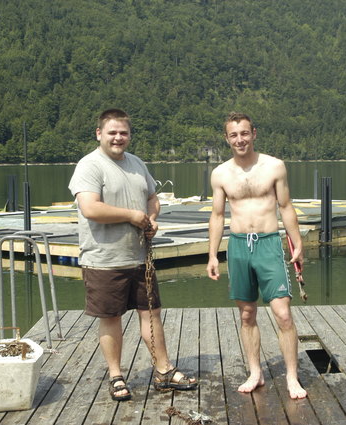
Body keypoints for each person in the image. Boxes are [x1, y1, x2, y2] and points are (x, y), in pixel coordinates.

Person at [69, 108, 197, 401]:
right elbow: (91, 208)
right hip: (103, 259)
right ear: (99, 134)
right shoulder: (89, 166)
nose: (118, 138)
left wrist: (151, 218)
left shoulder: (137, 164)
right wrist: (132, 215)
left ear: (129, 135)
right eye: (112, 132)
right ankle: (116, 376)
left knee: (151, 313)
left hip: (140, 256)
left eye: (123, 133)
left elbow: (152, 197)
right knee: (111, 317)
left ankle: (163, 371)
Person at [206, 112, 307, 399]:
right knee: (247, 313)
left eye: (245, 133)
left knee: (283, 314)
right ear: (227, 139)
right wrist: (212, 255)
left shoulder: (274, 166)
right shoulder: (221, 174)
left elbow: (285, 206)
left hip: (269, 244)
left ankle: (291, 377)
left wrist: (297, 243)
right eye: (234, 135)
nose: (240, 139)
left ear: (254, 134)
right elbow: (216, 216)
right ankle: (255, 372)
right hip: (238, 246)